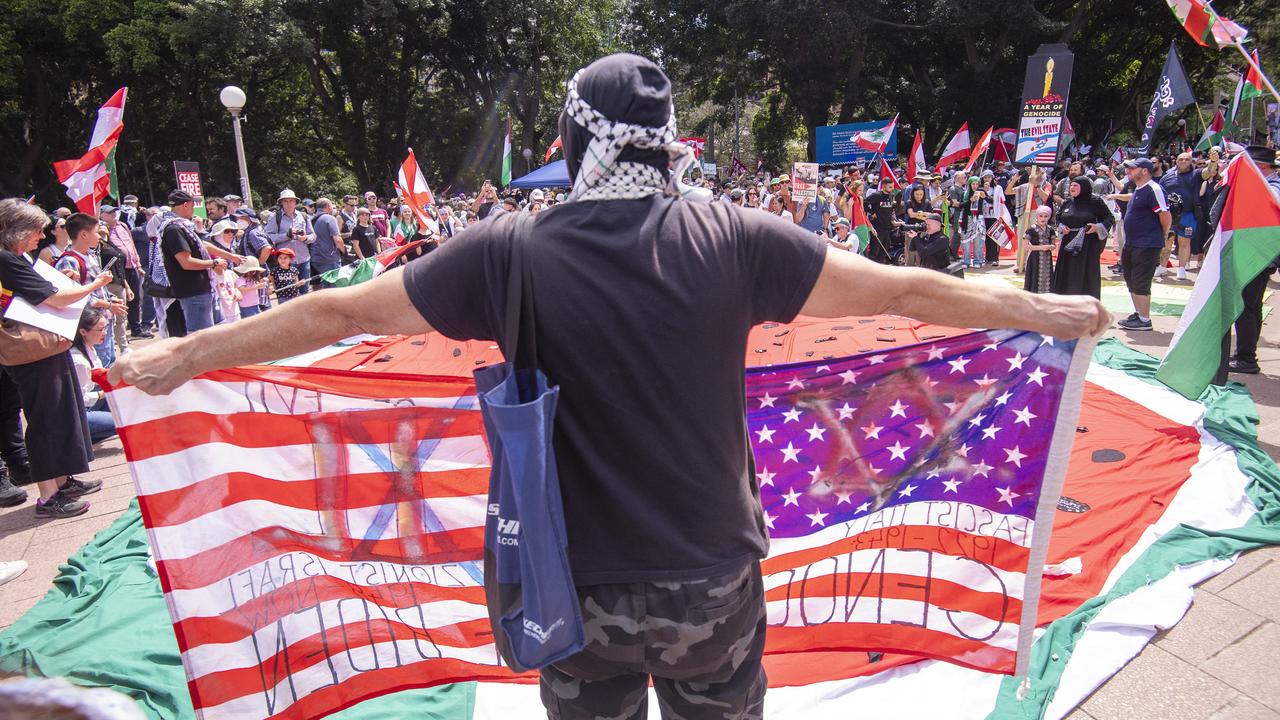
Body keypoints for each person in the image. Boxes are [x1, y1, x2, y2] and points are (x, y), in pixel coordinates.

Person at [111, 54, 1108, 720]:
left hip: (569, 588)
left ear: (574, 137)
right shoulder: (735, 238)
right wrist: (1039, 309)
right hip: (711, 575)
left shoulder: (504, 253)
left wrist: (185, 357)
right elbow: (899, 288)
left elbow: (337, 314)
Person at [0, 199, 104, 518]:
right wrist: (94, 285)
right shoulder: (6, 259)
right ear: (18, 230)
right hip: (33, 353)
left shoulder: (12, 258)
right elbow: (54, 298)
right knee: (45, 419)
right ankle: (48, 495)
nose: (41, 238)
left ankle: (61, 480)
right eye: (37, 231)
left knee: (60, 414)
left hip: (42, 348)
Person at [1226, 145, 1280, 375]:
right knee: (1251, 306)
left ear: (1263, 168)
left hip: (1259, 255)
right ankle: (1245, 354)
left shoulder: (1273, 187)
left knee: (1246, 307)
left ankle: (1246, 357)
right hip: (1258, 255)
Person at [56, 213, 128, 366]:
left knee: (108, 361)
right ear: (83, 234)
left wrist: (110, 298)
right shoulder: (69, 261)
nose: (100, 236)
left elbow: (97, 287)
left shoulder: (91, 256)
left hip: (102, 322)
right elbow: (76, 296)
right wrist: (108, 305)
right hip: (89, 326)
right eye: (96, 232)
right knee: (98, 366)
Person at [1116, 158, 1171, 331]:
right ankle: (1139, 313)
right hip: (1133, 242)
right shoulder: (1139, 189)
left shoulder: (1154, 189)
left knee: (1140, 280)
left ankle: (1144, 319)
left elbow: (1165, 215)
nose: (1128, 172)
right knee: (1131, 279)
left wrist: (1161, 234)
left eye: (1132, 169)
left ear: (1144, 171)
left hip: (1146, 243)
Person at [160, 189, 225, 334]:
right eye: (192, 205)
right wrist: (213, 263)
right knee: (202, 336)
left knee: (214, 333)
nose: (194, 209)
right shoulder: (174, 229)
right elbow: (186, 262)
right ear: (185, 205)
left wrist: (231, 256)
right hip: (193, 290)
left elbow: (201, 245)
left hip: (202, 287)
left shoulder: (183, 226)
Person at [1051, 177, 1113, 299]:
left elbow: (1108, 218)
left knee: (1084, 271)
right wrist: (1062, 227)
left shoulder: (1095, 201)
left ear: (1084, 187)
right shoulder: (1068, 202)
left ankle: (1086, 300)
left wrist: (1097, 227)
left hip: (1087, 243)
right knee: (1067, 271)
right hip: (1068, 243)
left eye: (1076, 186)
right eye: (1071, 185)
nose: (1072, 188)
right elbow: (1058, 218)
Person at [70, 309, 117, 444]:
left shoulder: (88, 347)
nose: (105, 333)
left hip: (85, 406)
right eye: (100, 329)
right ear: (83, 331)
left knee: (120, 399)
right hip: (76, 413)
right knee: (121, 420)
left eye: (106, 327)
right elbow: (80, 398)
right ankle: (75, 441)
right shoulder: (79, 361)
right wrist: (104, 393)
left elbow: (101, 374)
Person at [1157, 152, 1201, 280]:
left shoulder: (1196, 174)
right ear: (1176, 161)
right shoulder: (1167, 177)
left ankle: (1181, 268)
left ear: (1191, 161)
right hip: (1170, 215)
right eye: (1180, 159)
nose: (1183, 161)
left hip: (1188, 214)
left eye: (1186, 159)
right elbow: (1160, 193)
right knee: (1167, 241)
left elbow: (1208, 172)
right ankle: (1162, 266)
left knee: (1184, 242)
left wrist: (1214, 162)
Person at [264, 189, 315, 293]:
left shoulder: (303, 216)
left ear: (295, 202)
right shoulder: (275, 217)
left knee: (304, 291)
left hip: (304, 259)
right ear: (281, 203)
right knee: (289, 293)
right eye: (285, 201)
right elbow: (267, 236)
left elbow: (313, 236)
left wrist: (305, 238)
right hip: (285, 262)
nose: (288, 203)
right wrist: (286, 235)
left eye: (291, 200)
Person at [309, 198, 346, 287]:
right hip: (330, 258)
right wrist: (344, 250)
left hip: (315, 259)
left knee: (323, 287)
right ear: (328, 206)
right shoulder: (330, 218)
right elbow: (337, 239)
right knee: (336, 287)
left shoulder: (311, 219)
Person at [1023, 206, 1057, 294]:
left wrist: (1051, 247)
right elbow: (1025, 247)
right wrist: (1041, 248)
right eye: (1040, 216)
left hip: (1047, 259)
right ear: (1037, 216)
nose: (1043, 218)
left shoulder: (1051, 230)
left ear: (1049, 217)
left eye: (1046, 216)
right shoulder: (1031, 229)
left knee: (1047, 278)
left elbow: (1054, 243)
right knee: (1035, 278)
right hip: (1035, 259)